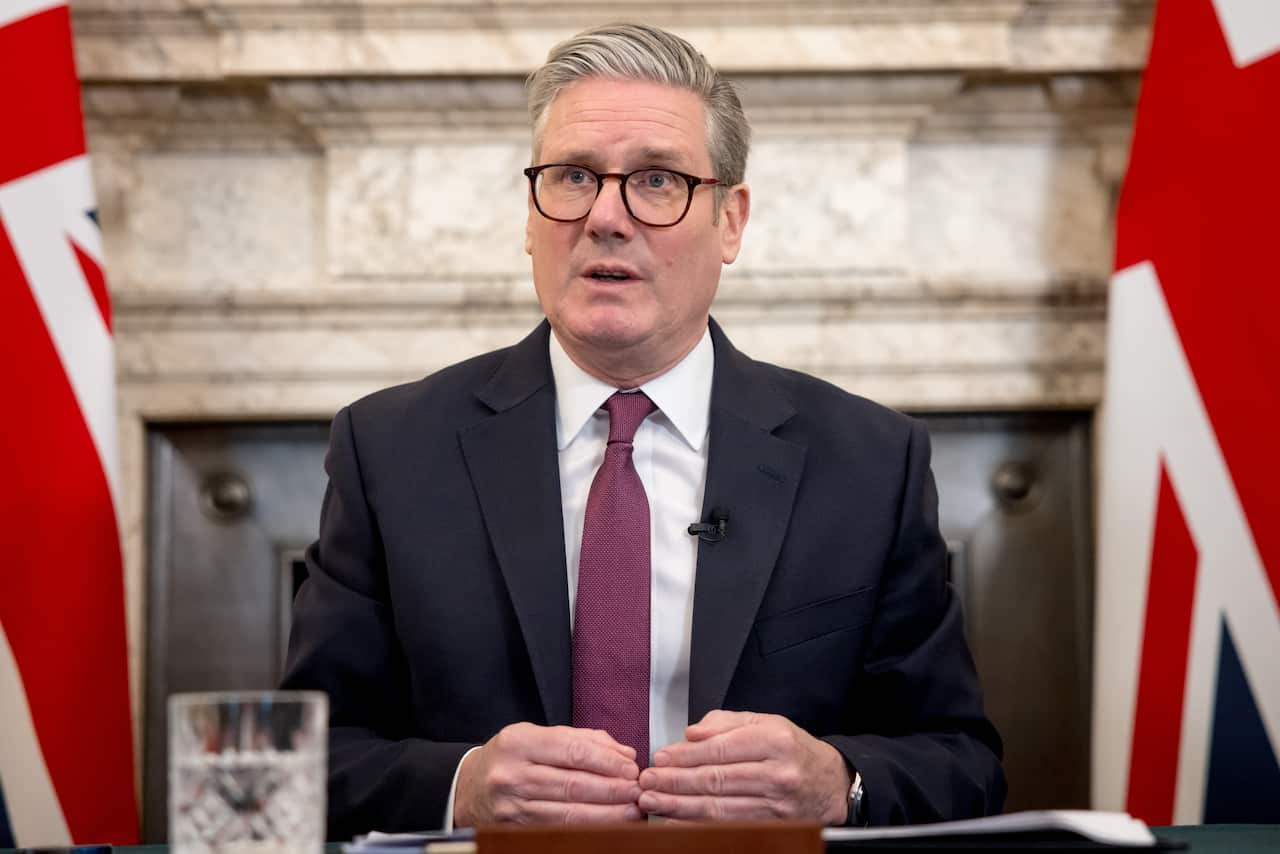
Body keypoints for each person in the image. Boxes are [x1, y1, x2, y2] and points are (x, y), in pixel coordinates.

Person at [281, 22, 1005, 839]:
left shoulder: (869, 463)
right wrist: (460, 787)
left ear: (730, 221)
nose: (605, 218)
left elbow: (964, 764)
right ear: (530, 214)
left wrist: (840, 784)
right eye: (572, 177)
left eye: (656, 181)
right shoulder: (391, 452)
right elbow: (303, 765)